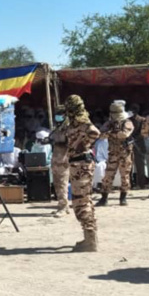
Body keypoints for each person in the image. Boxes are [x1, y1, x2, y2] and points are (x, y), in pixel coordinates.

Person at [63, 95, 100, 252]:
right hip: (78, 163)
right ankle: (89, 237)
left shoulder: (82, 121)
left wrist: (81, 144)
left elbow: (94, 132)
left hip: (81, 163)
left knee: (81, 200)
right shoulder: (75, 121)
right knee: (84, 199)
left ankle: (90, 240)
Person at [98, 101, 134, 206]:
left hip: (125, 153)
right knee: (108, 175)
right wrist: (111, 132)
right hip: (112, 153)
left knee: (125, 176)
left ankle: (123, 197)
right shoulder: (109, 123)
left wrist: (109, 133)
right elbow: (101, 135)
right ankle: (104, 197)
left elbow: (124, 134)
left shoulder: (127, 122)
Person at [48, 107, 70, 217]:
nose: (57, 116)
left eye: (60, 114)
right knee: (57, 183)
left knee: (62, 183)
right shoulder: (57, 127)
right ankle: (63, 206)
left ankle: (63, 206)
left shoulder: (68, 127)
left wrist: (55, 141)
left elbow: (68, 142)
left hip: (64, 158)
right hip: (56, 157)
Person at [129, 104, 149, 189]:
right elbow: (145, 133)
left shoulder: (128, 120)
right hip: (138, 143)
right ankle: (139, 184)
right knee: (137, 166)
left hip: (134, 143)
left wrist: (132, 138)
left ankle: (136, 184)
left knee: (133, 165)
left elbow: (144, 132)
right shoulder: (143, 119)